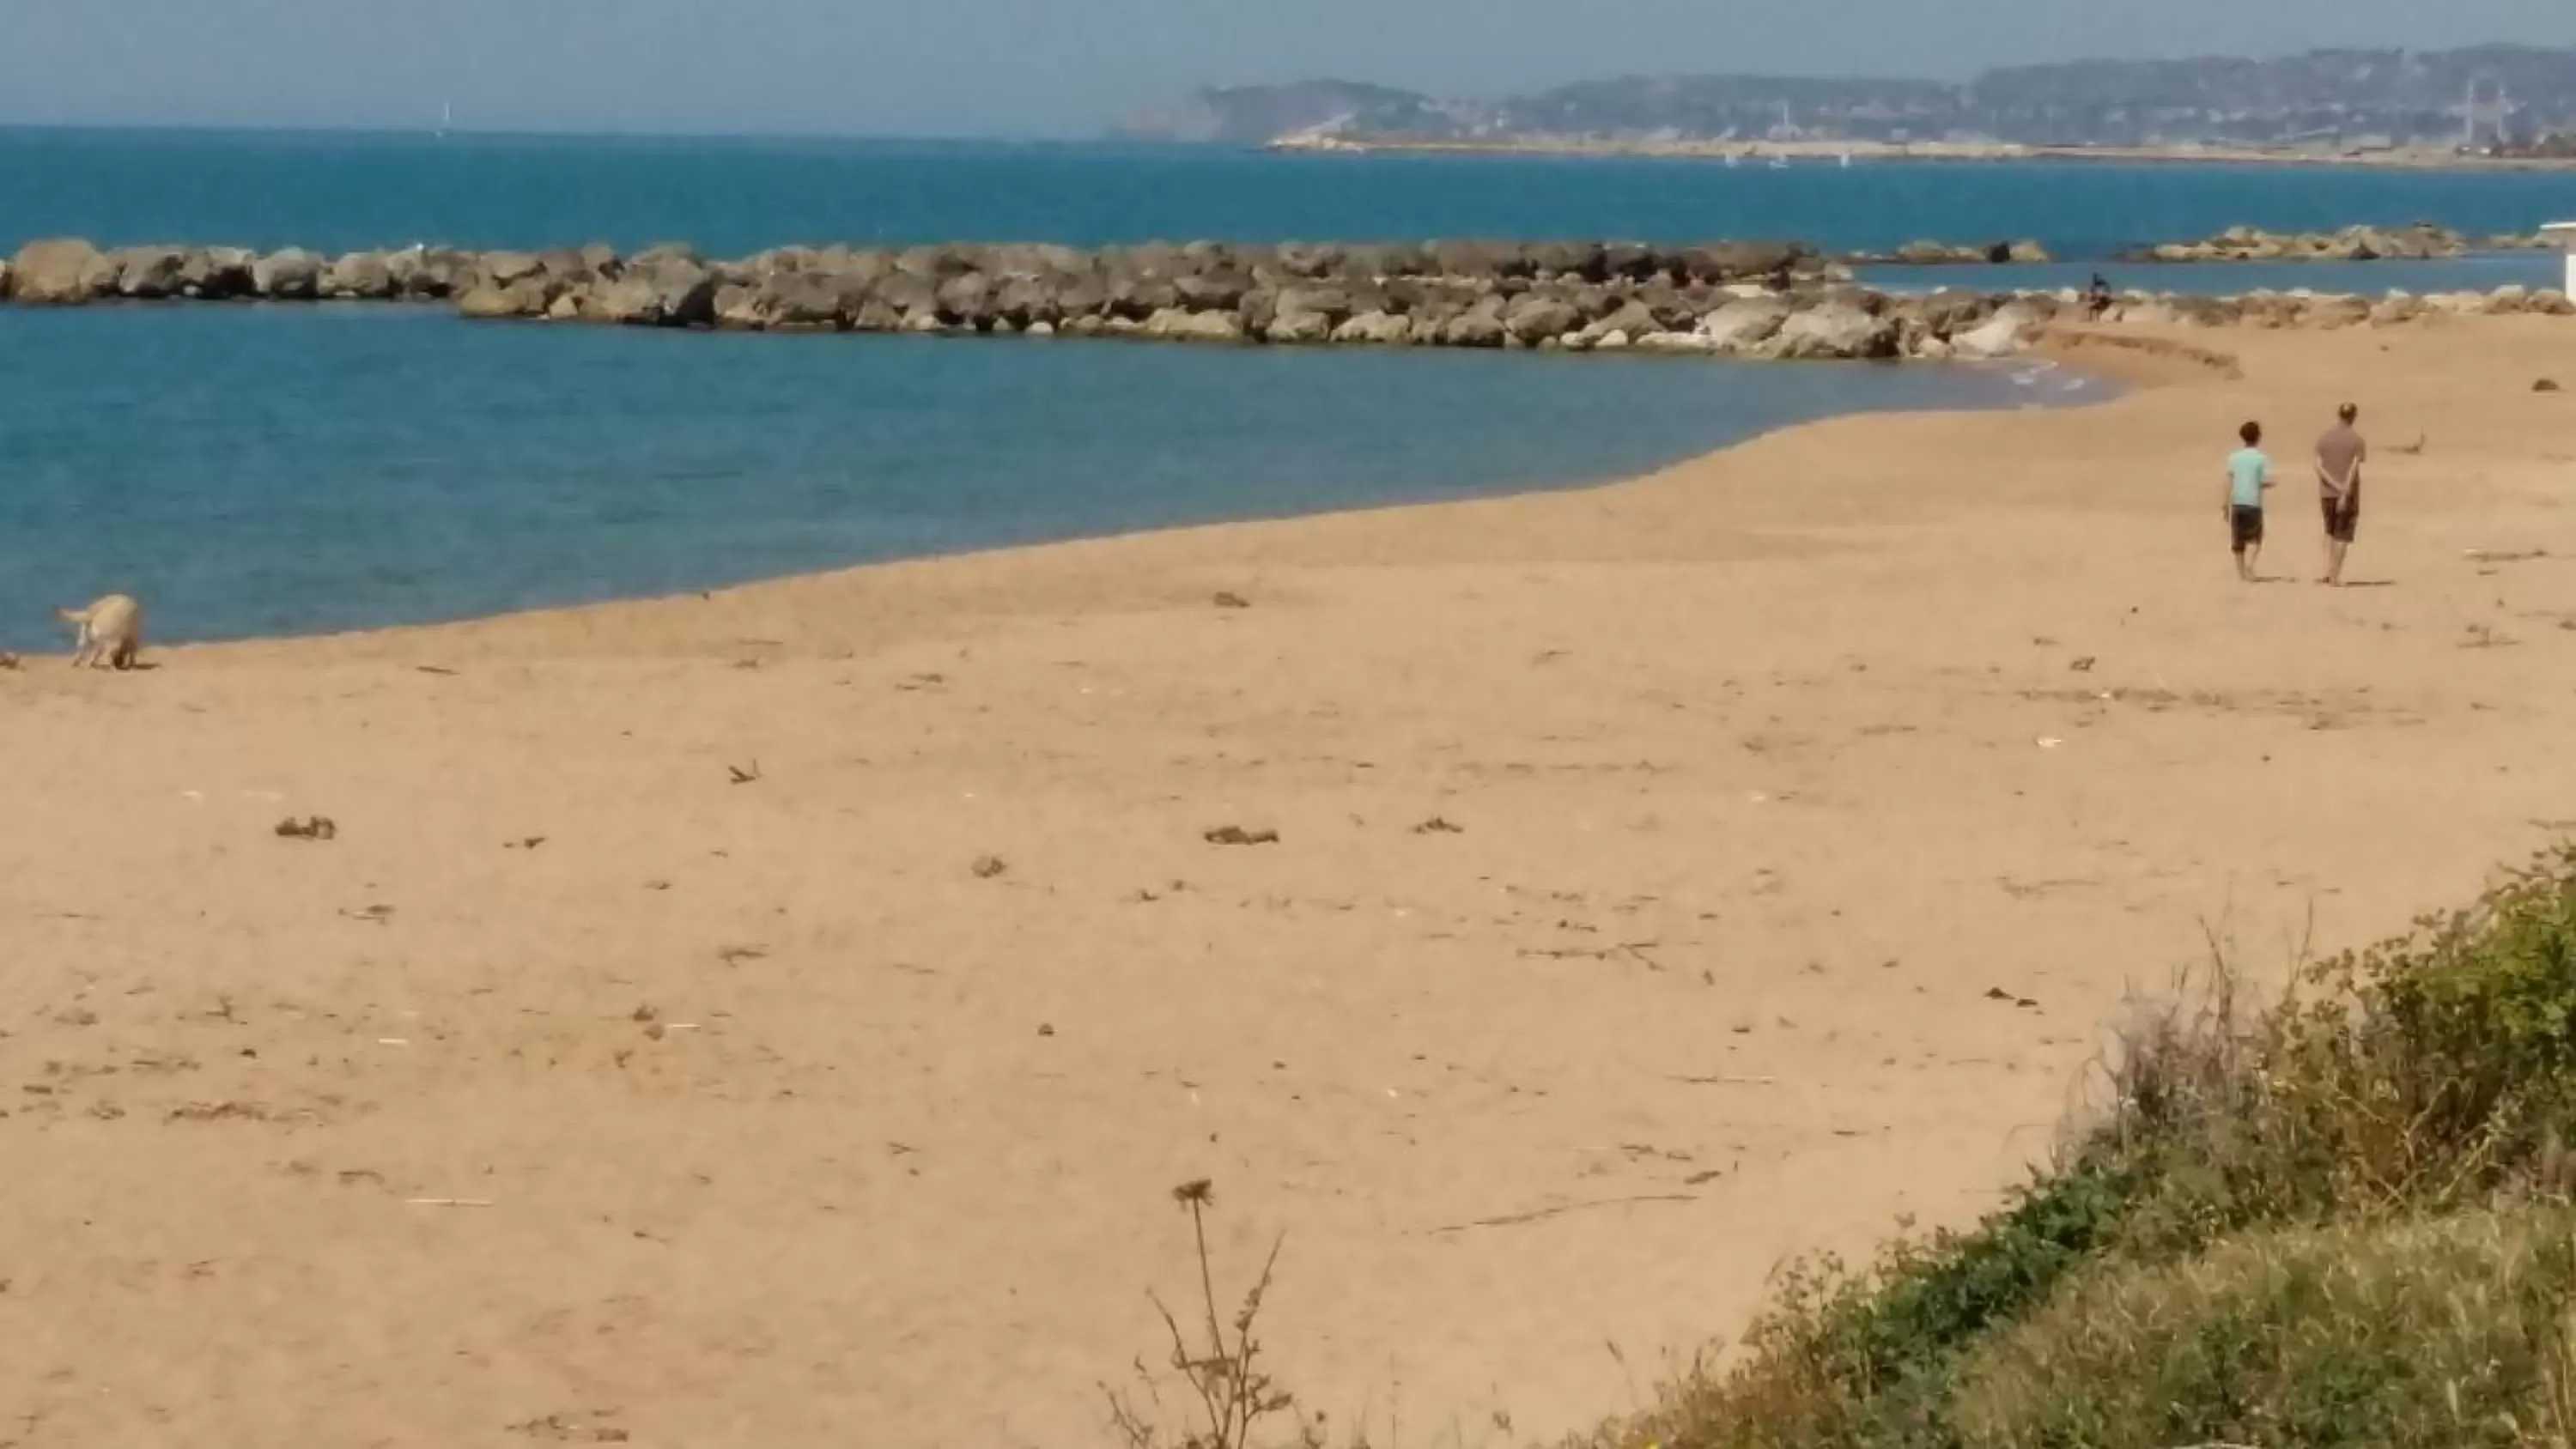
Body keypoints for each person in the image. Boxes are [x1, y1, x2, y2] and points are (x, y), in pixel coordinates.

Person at [2314, 402, 2367, 586]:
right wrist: (2343, 489)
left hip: (2326, 493)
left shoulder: (2324, 438)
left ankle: (2327, 571)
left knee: (2329, 531)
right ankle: (2335, 576)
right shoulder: (2357, 440)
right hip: (2347, 494)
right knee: (2343, 535)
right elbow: (2353, 468)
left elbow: (2318, 467)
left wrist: (2334, 485)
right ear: (2353, 416)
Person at [2224, 420, 2275, 582]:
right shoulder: (2261, 458)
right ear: (2258, 437)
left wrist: (2226, 503)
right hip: (2253, 502)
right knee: (2256, 539)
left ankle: (2241, 574)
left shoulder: (2234, 457)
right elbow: (2263, 480)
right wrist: (2270, 484)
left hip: (2237, 502)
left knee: (2238, 540)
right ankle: (2250, 564)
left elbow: (2229, 482)